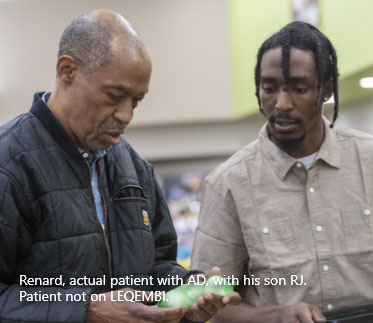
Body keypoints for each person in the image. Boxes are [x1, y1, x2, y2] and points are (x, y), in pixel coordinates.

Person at [0, 9, 240, 323]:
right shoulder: (10, 164)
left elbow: (155, 267)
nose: (126, 116)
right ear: (67, 70)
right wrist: (87, 311)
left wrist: (185, 291)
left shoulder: (134, 168)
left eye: (136, 101)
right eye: (115, 96)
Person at [191, 20, 373, 323]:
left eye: (299, 88)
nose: (282, 103)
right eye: (269, 88)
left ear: (326, 90)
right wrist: (273, 315)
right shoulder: (229, 184)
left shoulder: (368, 160)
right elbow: (209, 303)